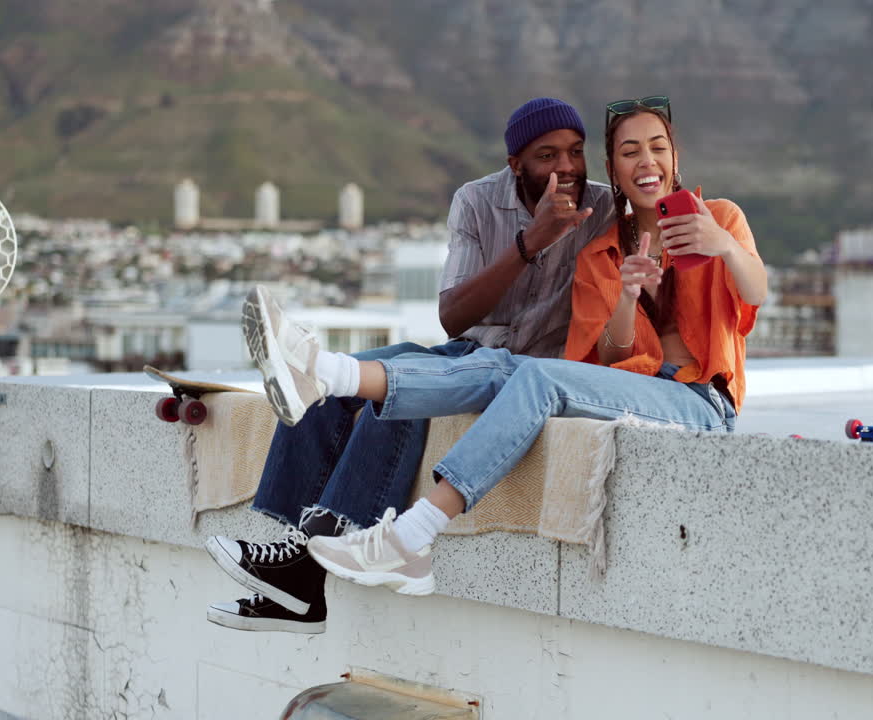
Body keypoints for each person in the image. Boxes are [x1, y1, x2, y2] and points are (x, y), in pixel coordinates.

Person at [239, 95, 767, 596]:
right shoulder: (603, 247)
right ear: (614, 168)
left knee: (532, 375)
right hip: (632, 391)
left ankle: (405, 531)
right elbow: (612, 359)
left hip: (701, 400)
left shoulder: (719, 217)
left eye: (657, 147)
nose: (646, 160)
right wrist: (627, 297)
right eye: (630, 152)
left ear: (676, 157)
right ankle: (326, 380)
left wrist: (723, 246)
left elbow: (755, 293)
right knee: (500, 367)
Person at [204, 97, 616, 634]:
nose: (567, 167)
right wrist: (529, 244)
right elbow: (453, 317)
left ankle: (304, 573)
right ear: (516, 164)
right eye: (547, 155)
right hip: (469, 353)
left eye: (576, 152)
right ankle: (295, 562)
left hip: (532, 378)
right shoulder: (477, 201)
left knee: (396, 391)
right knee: (342, 384)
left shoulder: (604, 208)